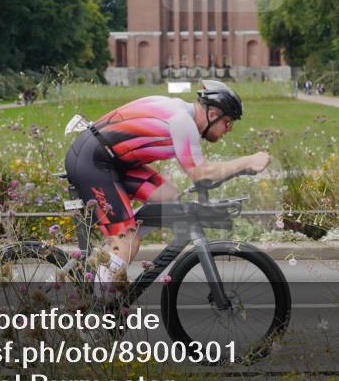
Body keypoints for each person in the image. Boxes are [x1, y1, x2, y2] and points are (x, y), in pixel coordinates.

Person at [65, 80, 269, 296]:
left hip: (113, 160)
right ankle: (96, 313)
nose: (228, 129)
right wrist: (247, 162)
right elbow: (201, 174)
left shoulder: (183, 115)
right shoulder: (183, 122)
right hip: (93, 160)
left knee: (170, 199)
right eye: (228, 122)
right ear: (212, 114)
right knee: (127, 242)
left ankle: (110, 251)